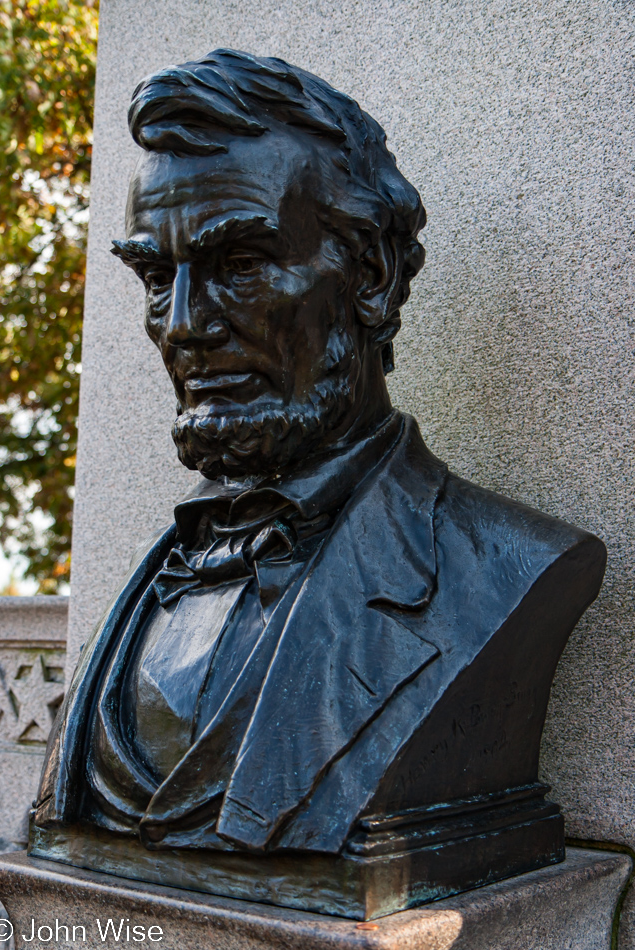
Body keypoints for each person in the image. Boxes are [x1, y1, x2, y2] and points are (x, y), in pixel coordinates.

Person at [31, 49, 605, 915]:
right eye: (157, 276)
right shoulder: (156, 580)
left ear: (369, 277)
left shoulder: (512, 568)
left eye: (240, 265)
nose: (182, 327)